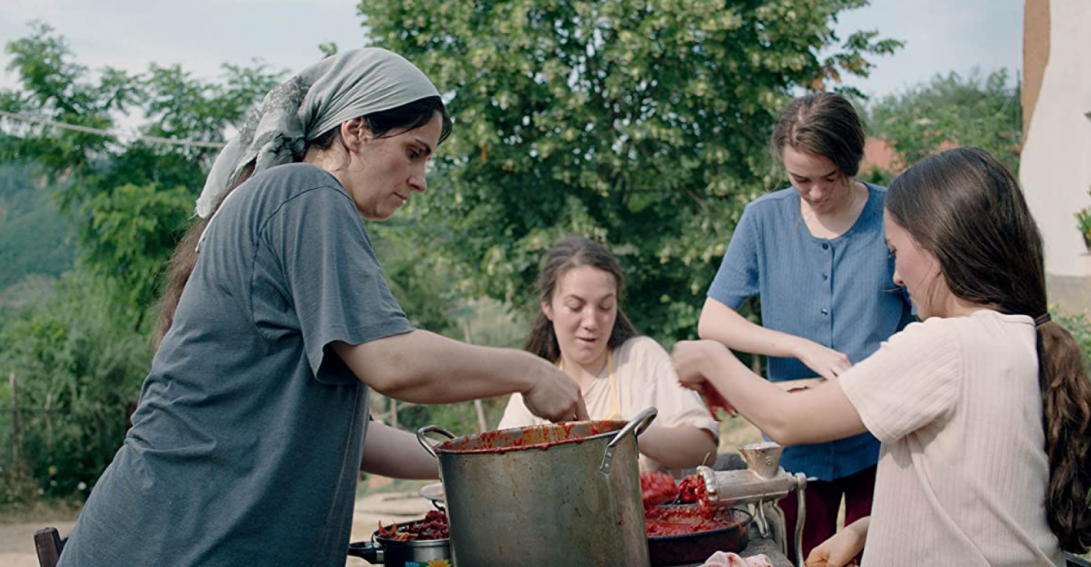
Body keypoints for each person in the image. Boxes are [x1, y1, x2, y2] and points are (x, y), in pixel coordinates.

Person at [58, 48, 588, 567]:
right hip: (175, 544)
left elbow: (353, 438)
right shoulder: (305, 192)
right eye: (413, 152)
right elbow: (391, 362)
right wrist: (529, 372)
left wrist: (487, 457)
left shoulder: (286, 202)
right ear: (355, 131)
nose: (421, 180)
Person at [674, 147, 1091, 566]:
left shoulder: (942, 345)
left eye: (895, 251)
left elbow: (787, 419)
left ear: (937, 247)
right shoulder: (1018, 337)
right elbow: (974, 498)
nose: (896, 275)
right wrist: (865, 530)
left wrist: (710, 357)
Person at [698, 92, 913, 558]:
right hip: (792, 452)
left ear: (851, 162)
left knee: (880, 555)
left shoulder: (896, 213)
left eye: (829, 178)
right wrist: (799, 347)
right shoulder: (762, 218)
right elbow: (712, 320)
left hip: (883, 442)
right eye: (800, 180)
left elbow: (927, 322)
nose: (815, 193)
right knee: (794, 556)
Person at [498, 237, 719, 472]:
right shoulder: (534, 388)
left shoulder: (640, 358)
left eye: (605, 307)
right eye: (575, 306)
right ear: (548, 307)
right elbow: (505, 469)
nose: (592, 322)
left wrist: (626, 433)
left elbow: (704, 448)